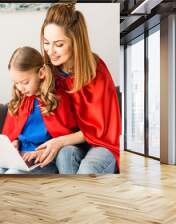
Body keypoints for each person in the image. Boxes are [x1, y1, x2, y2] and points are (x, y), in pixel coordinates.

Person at [25, 3, 121, 174]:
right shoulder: (48, 72)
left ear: (76, 42)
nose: (50, 51)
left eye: (59, 44)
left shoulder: (96, 69)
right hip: (71, 144)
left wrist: (60, 141)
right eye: (46, 43)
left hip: (101, 143)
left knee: (88, 168)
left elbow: (100, 129)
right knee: (64, 156)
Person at [0, 46, 78, 174]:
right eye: (16, 83)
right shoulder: (21, 100)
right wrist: (14, 142)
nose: (20, 88)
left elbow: (64, 136)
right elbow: (15, 133)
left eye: (25, 82)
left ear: (41, 73)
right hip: (20, 156)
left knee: (13, 174)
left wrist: (42, 151)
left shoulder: (57, 98)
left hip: (44, 158)